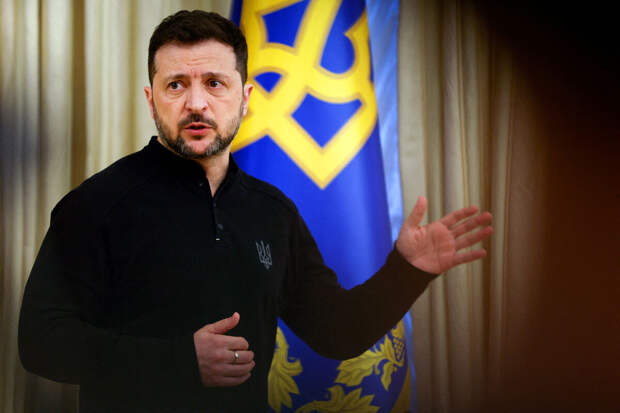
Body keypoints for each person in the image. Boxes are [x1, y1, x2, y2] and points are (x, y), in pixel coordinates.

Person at [18, 10, 493, 413]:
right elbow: (40, 342)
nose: (196, 103)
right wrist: (180, 361)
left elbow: (337, 332)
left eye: (215, 83)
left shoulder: (273, 212)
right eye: (176, 85)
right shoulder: (95, 205)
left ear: (245, 99)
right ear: (151, 99)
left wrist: (407, 270)